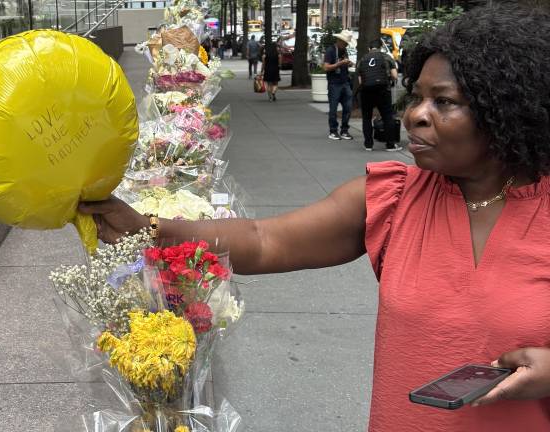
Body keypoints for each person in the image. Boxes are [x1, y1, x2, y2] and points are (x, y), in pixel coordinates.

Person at [80, 4, 550, 431]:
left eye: (443, 102)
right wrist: (148, 229)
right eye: (415, 97)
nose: (414, 116)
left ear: (507, 108)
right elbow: (266, 239)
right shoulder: (393, 198)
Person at [357, 39, 402, 152]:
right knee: (387, 116)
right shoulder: (386, 57)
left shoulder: (363, 59)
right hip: (383, 90)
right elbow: (395, 76)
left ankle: (368, 145)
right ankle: (390, 145)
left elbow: (360, 80)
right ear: (381, 47)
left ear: (369, 48)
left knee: (366, 118)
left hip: (366, 91)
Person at [323, 29, 355, 141]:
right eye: (345, 42)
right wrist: (339, 64)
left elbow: (346, 63)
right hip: (334, 84)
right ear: (339, 40)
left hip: (345, 82)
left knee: (348, 107)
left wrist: (349, 63)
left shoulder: (344, 50)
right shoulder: (331, 50)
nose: (346, 44)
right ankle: (333, 131)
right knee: (333, 108)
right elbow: (326, 67)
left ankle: (344, 130)